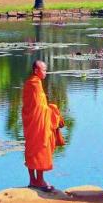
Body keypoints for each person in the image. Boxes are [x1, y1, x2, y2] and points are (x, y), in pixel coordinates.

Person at [21, 60, 63, 192]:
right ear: (36, 71)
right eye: (44, 70)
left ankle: (32, 180)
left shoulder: (29, 83)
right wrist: (53, 110)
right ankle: (39, 181)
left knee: (32, 148)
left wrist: (48, 108)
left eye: (46, 69)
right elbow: (39, 107)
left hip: (31, 122)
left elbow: (32, 106)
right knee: (40, 147)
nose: (46, 72)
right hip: (38, 123)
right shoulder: (35, 84)